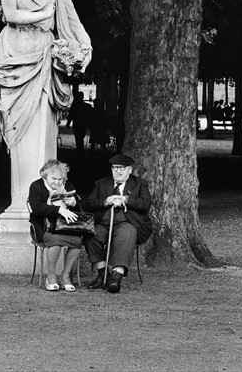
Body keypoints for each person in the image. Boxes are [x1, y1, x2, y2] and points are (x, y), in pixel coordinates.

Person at [0, 0, 92, 212]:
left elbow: (73, 21)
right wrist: (45, 14)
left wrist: (85, 48)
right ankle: (20, 207)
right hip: (14, 53)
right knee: (16, 125)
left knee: (42, 123)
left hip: (43, 58)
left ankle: (41, 207)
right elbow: (10, 15)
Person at [83, 153, 152, 293]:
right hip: (103, 222)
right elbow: (88, 204)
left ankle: (116, 276)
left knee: (126, 235)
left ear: (130, 170)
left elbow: (145, 205)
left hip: (127, 222)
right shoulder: (101, 183)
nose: (118, 171)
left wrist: (125, 199)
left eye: (122, 168)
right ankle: (102, 274)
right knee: (91, 235)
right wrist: (106, 200)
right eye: (115, 168)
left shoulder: (140, 184)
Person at [28, 159, 82, 292]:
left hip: (65, 226)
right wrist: (58, 210)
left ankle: (65, 276)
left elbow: (80, 207)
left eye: (60, 179)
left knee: (77, 241)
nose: (57, 182)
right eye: (54, 179)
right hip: (42, 227)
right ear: (45, 175)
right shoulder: (36, 186)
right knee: (56, 241)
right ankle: (51, 277)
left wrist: (74, 203)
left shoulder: (67, 185)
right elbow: (36, 208)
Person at [66, 91, 92, 160]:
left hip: (77, 123)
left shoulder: (75, 106)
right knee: (81, 137)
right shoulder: (85, 106)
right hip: (83, 124)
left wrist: (68, 123)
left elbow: (71, 114)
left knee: (78, 138)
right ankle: (81, 152)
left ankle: (79, 152)